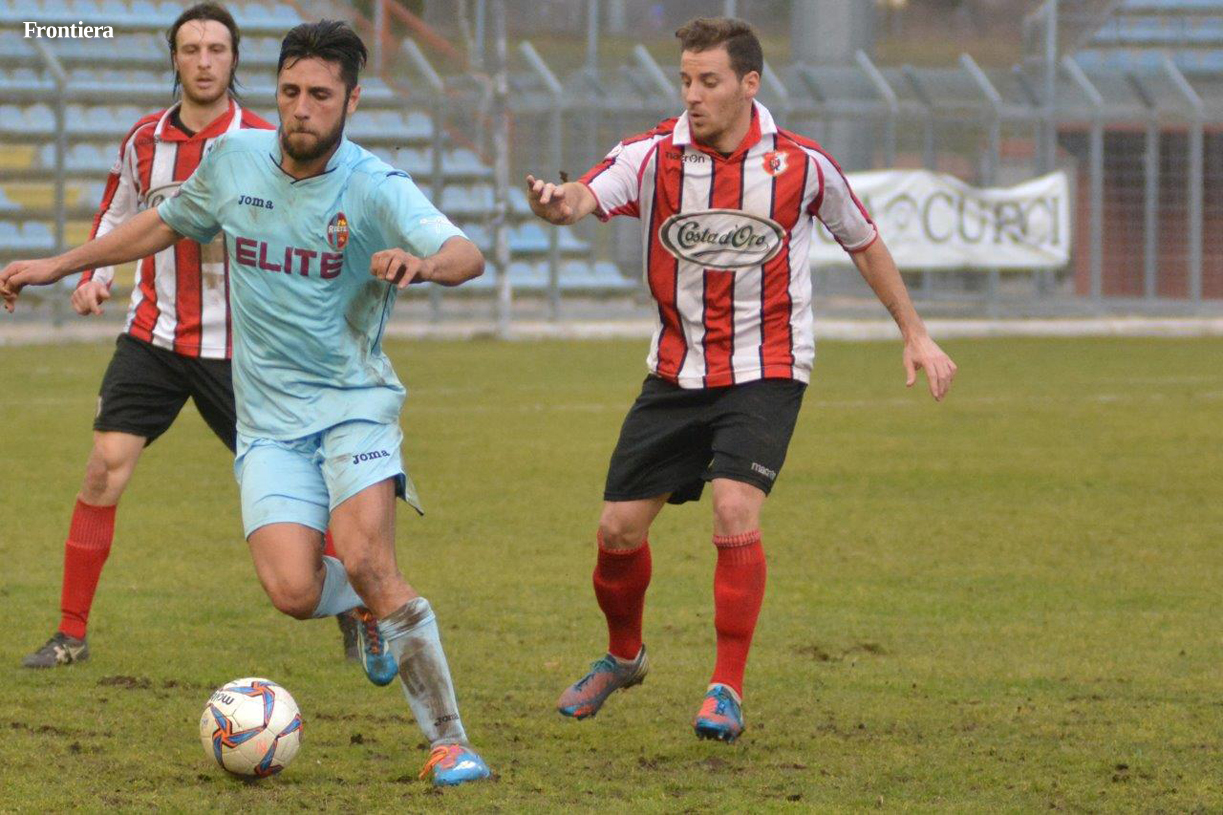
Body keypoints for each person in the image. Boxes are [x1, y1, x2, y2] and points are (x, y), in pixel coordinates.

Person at [2, 20, 491, 786]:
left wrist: (423, 265)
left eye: (320, 94)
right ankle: (365, 606)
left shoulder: (373, 184)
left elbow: (466, 253)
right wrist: (60, 265)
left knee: (368, 556)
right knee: (293, 590)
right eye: (290, 91)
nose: (302, 107)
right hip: (267, 421)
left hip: (353, 406)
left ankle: (448, 740)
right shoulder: (233, 161)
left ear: (352, 100)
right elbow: (159, 223)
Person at [525, 16, 958, 743]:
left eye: (709, 81)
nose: (692, 95)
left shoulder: (802, 165)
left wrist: (913, 330)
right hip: (676, 371)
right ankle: (624, 657)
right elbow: (583, 196)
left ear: (749, 84)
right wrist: (555, 202)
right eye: (685, 80)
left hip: (768, 367)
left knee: (734, 508)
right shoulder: (652, 155)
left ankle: (725, 686)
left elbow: (863, 241)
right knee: (617, 531)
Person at [11, 2, 365, 670]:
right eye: (191, 49)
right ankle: (70, 634)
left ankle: (355, 608)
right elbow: (117, 214)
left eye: (216, 50)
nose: (204, 62)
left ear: (235, 60)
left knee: (299, 490)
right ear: (173, 59)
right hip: (154, 336)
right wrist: (93, 277)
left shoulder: (265, 141)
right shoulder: (143, 140)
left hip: (243, 350)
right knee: (102, 468)